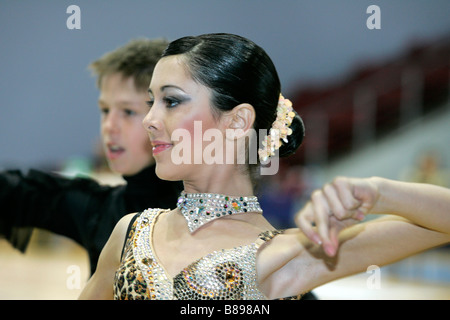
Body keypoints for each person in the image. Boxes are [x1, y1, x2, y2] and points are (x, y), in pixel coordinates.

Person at [78, 33, 450, 300]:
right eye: (150, 102)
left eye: (171, 102)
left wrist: (379, 192)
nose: (149, 119)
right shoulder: (130, 232)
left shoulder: (293, 255)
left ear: (238, 122)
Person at [0, 38, 183, 275]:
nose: (109, 126)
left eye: (128, 111)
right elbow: (16, 191)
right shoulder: (100, 210)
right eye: (105, 110)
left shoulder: (201, 209)